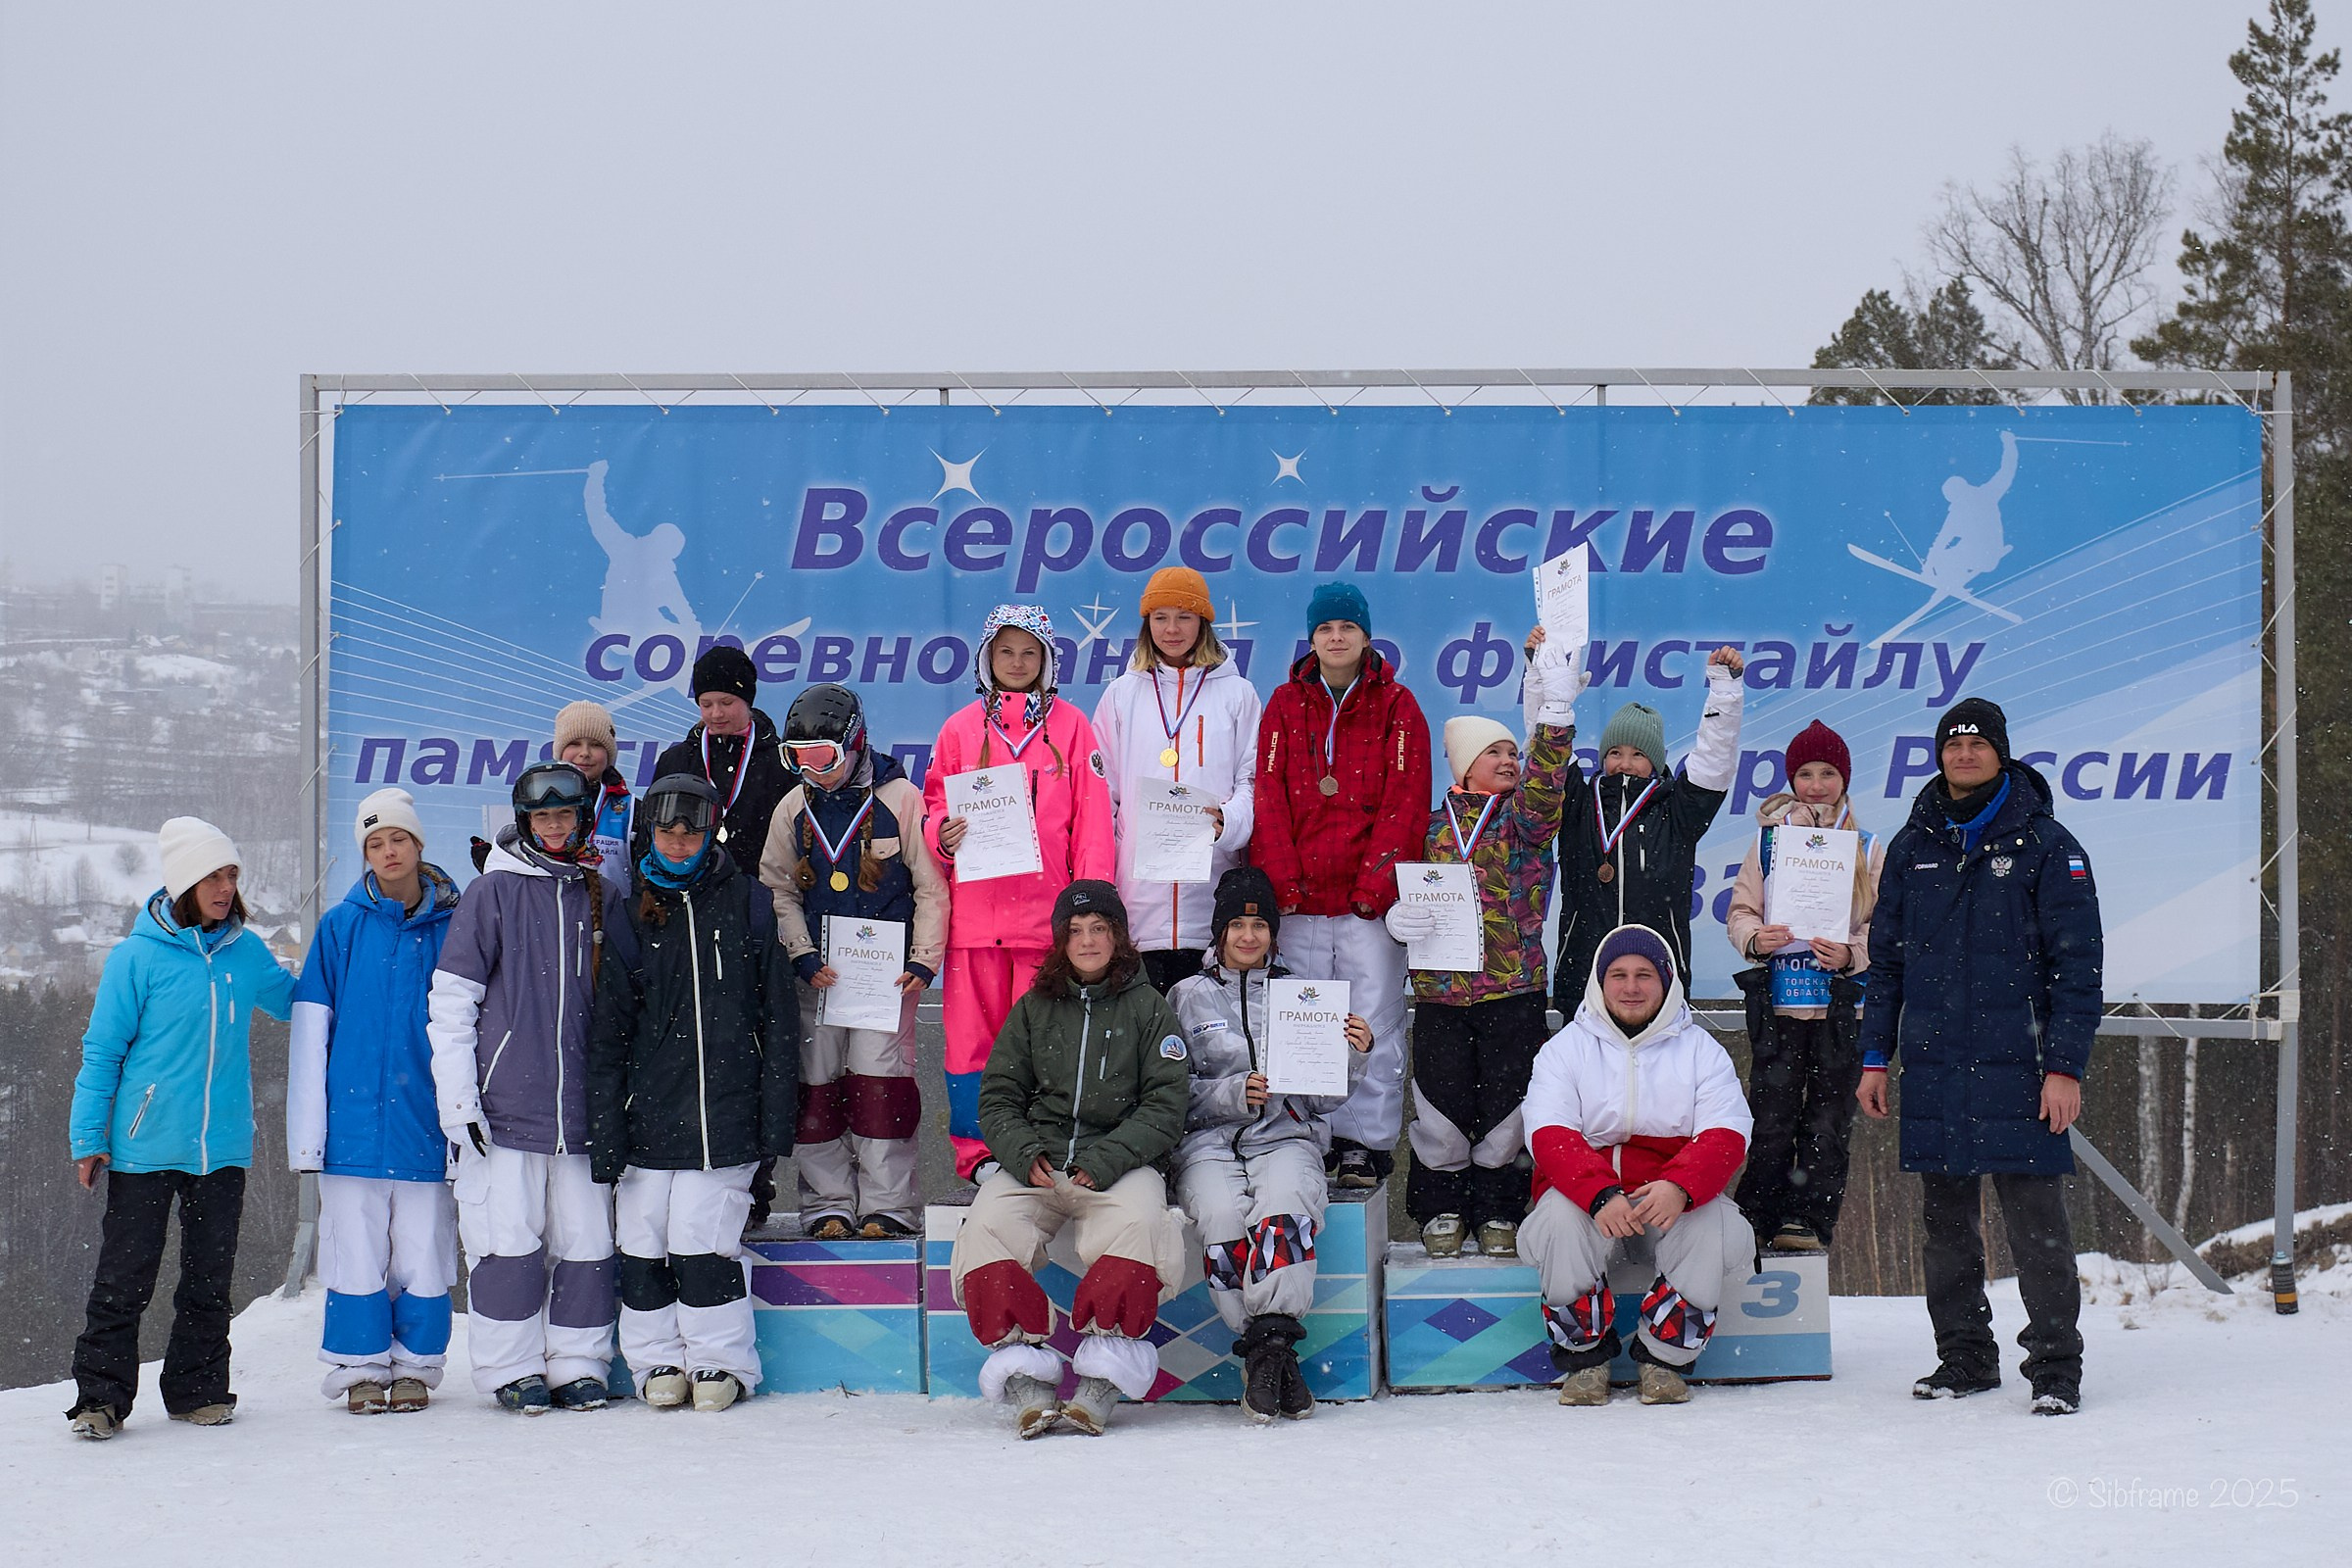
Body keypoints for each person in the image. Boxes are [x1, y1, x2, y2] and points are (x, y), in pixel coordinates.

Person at [1857, 697, 2101, 1416]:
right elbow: (1887, 963)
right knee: (1946, 1228)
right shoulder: (1913, 846)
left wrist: (2065, 1067)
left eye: (1978, 744)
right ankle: (1964, 1358)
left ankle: (2055, 1369)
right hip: (1936, 1067)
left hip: (2022, 1069)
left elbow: (2077, 967)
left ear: (2001, 753)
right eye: (1953, 744)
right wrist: (1875, 1056)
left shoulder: (2048, 844)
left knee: (2038, 1229)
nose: (1964, 755)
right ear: (1939, 755)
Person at [65, 818, 296, 1440]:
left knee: (208, 1281)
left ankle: (198, 1391)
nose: (224, 888)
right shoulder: (137, 957)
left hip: (222, 1148)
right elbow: (103, 1050)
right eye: (211, 876)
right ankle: (100, 1399)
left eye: (231, 875)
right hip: (144, 1146)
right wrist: (88, 1139)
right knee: (124, 1280)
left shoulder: (246, 953)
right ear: (183, 883)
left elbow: (298, 1003)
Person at [427, 761, 638, 1414]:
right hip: (506, 1111)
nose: (553, 825)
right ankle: (510, 1367)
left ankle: (578, 1363)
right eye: (541, 816)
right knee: (506, 1245)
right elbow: (452, 1004)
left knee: (587, 1247)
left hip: (583, 1114)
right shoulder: (491, 893)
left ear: (582, 819)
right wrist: (459, 1101)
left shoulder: (601, 895)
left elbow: (625, 1009)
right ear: (524, 822)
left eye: (564, 814)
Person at [588, 775, 800, 1413]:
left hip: (724, 1119)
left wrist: (775, 1120)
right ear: (649, 834)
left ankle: (720, 1362)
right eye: (667, 832)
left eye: (691, 832)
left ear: (711, 835)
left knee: (702, 1242)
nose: (679, 844)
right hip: (648, 1121)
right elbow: (608, 1036)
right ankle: (655, 1359)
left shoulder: (749, 903)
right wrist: (607, 1129)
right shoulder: (630, 913)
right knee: (643, 1244)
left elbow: (778, 1019)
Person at [948, 882, 1190, 1438]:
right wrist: (1021, 1150)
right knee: (986, 1229)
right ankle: (1025, 1377)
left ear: (1118, 936)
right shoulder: (1035, 1007)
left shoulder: (1149, 1008)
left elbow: (1166, 1103)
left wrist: (1108, 1157)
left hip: (1118, 1165)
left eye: (1099, 929)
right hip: (1039, 1162)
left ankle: (1103, 1378)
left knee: (1137, 1227)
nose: (1087, 941)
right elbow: (999, 1095)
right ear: (1061, 941)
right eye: (1075, 931)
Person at [1384, 629, 1577, 1259]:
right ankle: (1441, 1207)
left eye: (1513, 753)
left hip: (1513, 989)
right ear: (1464, 765)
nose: (1510, 761)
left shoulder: (1523, 822)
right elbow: (1392, 880)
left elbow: (1546, 782)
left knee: (1507, 1107)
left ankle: (1499, 1208)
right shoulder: (1427, 826)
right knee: (1440, 1106)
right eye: (1495, 752)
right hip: (1440, 992)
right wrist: (1395, 916)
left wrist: (1554, 709)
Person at [1167, 866, 1373, 1422]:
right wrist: (1231, 1093)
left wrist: (1353, 1054)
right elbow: (1169, 1091)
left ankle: (1268, 1350)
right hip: (1208, 1142)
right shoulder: (1185, 997)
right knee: (1221, 1219)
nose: (1248, 936)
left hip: (1286, 1135)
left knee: (1284, 1214)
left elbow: (1323, 1099)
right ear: (1219, 932)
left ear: (1273, 934)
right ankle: (1271, 1350)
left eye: (1259, 925)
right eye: (1237, 924)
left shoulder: (1301, 995)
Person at [1519, 924, 1753, 1407]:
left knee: (1713, 1223)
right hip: (1591, 1200)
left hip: (1664, 1199)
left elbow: (1727, 1132)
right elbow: (1549, 1133)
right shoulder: (1564, 1049)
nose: (1631, 987)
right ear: (1599, 982)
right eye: (1619, 975)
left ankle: (1664, 1359)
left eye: (1644, 975)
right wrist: (1599, 1193)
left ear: (1665, 982)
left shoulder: (1701, 1050)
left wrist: (1680, 1186)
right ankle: (1585, 1359)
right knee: (1560, 1220)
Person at [925, 605, 1116, 1182]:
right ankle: (979, 1156)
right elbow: (934, 804)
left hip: (1044, 925)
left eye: (1029, 652)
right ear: (988, 658)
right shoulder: (959, 728)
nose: (1016, 662)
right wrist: (942, 835)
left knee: (1044, 1048)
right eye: (1005, 651)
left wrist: (1090, 909)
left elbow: (1092, 822)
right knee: (970, 1049)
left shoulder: (1073, 727)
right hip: (975, 925)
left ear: (1047, 660)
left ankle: (1040, 1150)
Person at [1250, 580, 1431, 1189]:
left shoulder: (1397, 704)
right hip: (1300, 901)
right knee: (1305, 1022)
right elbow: (1268, 795)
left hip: (1365, 903)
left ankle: (1364, 1142)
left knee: (1371, 1022)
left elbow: (1406, 801)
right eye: (1325, 628)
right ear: (1311, 638)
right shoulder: (1284, 703)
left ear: (1366, 636)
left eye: (1347, 627)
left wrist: (1375, 885)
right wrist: (1282, 883)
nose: (1335, 638)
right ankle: (1307, 1133)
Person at [287, 789, 462, 1414]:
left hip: (426, 1123)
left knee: (424, 1250)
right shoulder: (340, 926)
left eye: (398, 839)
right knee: (354, 1252)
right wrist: (308, 1137)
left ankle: (416, 1367)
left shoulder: (454, 925)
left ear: (418, 844)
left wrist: (463, 1122)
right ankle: (359, 1368)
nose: (389, 851)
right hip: (352, 1126)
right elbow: (312, 1030)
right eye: (375, 843)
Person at [760, 681, 948, 1239]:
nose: (813, 771)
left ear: (856, 743)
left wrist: (923, 961)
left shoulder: (900, 799)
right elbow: (778, 890)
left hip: (885, 979)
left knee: (880, 1087)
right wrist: (800, 953)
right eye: (799, 758)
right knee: (816, 1089)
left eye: (824, 757)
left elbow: (930, 887)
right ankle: (828, 1204)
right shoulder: (793, 808)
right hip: (817, 978)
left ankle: (888, 1204)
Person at [1723, 719, 1886, 1255]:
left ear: (1845, 780)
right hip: (1781, 1005)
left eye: (1828, 773)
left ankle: (1807, 1218)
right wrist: (1756, 938)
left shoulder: (1867, 847)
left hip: (1841, 1008)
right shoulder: (1769, 842)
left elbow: (1883, 927)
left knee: (1827, 1121)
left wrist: (1851, 953)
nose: (1817, 785)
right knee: (1771, 1119)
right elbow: (1740, 910)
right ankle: (1755, 1215)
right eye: (1806, 774)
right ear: (1792, 779)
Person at [1547, 640, 1745, 1011]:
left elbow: (1714, 761)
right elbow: (1548, 751)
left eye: (1638, 754)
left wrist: (1725, 690)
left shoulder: (1677, 811)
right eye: (1615, 753)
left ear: (1655, 762)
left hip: (1658, 977)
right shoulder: (1577, 804)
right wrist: (1546, 689)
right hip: (1584, 973)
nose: (1625, 763)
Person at [1092, 565, 1261, 993]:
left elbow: (1252, 778)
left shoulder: (1238, 694)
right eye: (1160, 617)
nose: (1172, 629)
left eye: (1184, 617)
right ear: (1146, 623)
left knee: (1207, 1026)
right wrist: (1110, 874)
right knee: (1145, 1027)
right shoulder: (1121, 695)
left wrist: (1229, 821)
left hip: (1210, 895)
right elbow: (1103, 793)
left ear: (1203, 623)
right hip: (1139, 902)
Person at [652, 645, 794, 878]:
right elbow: (652, 836)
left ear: (747, 701)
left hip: (762, 887)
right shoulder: (676, 760)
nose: (716, 713)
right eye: (706, 705)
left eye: (726, 703)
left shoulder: (780, 761)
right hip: (689, 889)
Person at [555, 700, 636, 890]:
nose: (585, 753)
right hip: (555, 908)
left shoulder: (631, 810)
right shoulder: (539, 805)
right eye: (574, 743)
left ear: (609, 754)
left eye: (596, 744)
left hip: (615, 907)